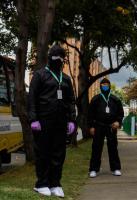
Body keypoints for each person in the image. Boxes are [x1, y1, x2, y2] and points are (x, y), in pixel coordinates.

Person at [28, 44, 76, 197]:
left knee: (58, 154)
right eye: (55, 57)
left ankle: (55, 183)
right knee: (43, 153)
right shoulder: (40, 75)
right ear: (49, 58)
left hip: (61, 122)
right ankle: (41, 183)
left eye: (60, 58)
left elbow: (70, 101)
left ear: (63, 60)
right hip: (43, 121)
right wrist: (33, 119)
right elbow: (32, 99)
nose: (58, 60)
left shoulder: (66, 79)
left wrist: (71, 120)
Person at [88, 78, 124, 178]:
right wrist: (91, 126)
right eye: (103, 85)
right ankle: (93, 169)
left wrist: (118, 122)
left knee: (113, 147)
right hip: (98, 126)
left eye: (106, 85)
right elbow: (90, 114)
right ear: (100, 86)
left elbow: (120, 113)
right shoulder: (95, 99)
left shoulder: (115, 99)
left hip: (111, 126)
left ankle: (115, 168)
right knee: (96, 148)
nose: (105, 86)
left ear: (109, 86)